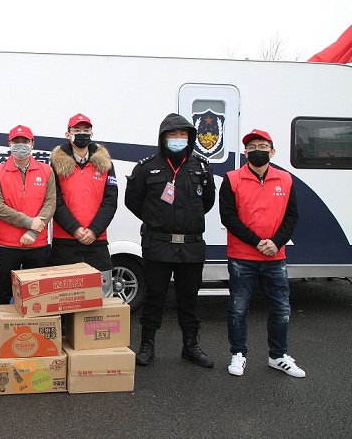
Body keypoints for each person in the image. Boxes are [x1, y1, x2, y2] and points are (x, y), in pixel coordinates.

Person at [124, 113, 216, 368]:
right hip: (158, 244)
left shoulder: (201, 167)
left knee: (189, 298)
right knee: (154, 297)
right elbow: (133, 200)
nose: (178, 138)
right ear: (163, 138)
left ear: (190, 137)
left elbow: (207, 202)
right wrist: (156, 218)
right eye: (172, 134)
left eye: (183, 134)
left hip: (191, 245)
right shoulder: (146, 167)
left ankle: (191, 345)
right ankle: (147, 345)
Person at [220, 129, 304, 378]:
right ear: (245, 153)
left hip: (275, 256)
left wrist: (276, 242)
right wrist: (257, 242)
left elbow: (292, 216)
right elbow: (228, 217)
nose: (257, 151)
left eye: (263, 147)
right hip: (242, 256)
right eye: (252, 147)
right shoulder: (232, 179)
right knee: (238, 308)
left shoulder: (285, 179)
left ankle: (278, 356)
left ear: (272, 152)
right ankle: (238, 353)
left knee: (281, 308)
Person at [49, 113, 118, 297]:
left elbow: (110, 201)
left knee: (101, 299)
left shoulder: (106, 164)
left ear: (91, 134)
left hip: (97, 242)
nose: (82, 134)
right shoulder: (55, 164)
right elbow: (55, 200)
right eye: (76, 130)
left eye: (86, 130)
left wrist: (94, 230)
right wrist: (75, 229)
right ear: (67, 134)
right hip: (65, 242)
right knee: (63, 299)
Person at [0, 125, 56, 305]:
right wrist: (28, 222)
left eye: (25, 141)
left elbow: (50, 203)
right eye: (16, 141)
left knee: (37, 298)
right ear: (9, 144)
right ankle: (1, 325)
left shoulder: (46, 171)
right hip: (8, 245)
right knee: (3, 293)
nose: (20, 145)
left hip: (37, 244)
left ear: (32, 144)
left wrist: (33, 232)